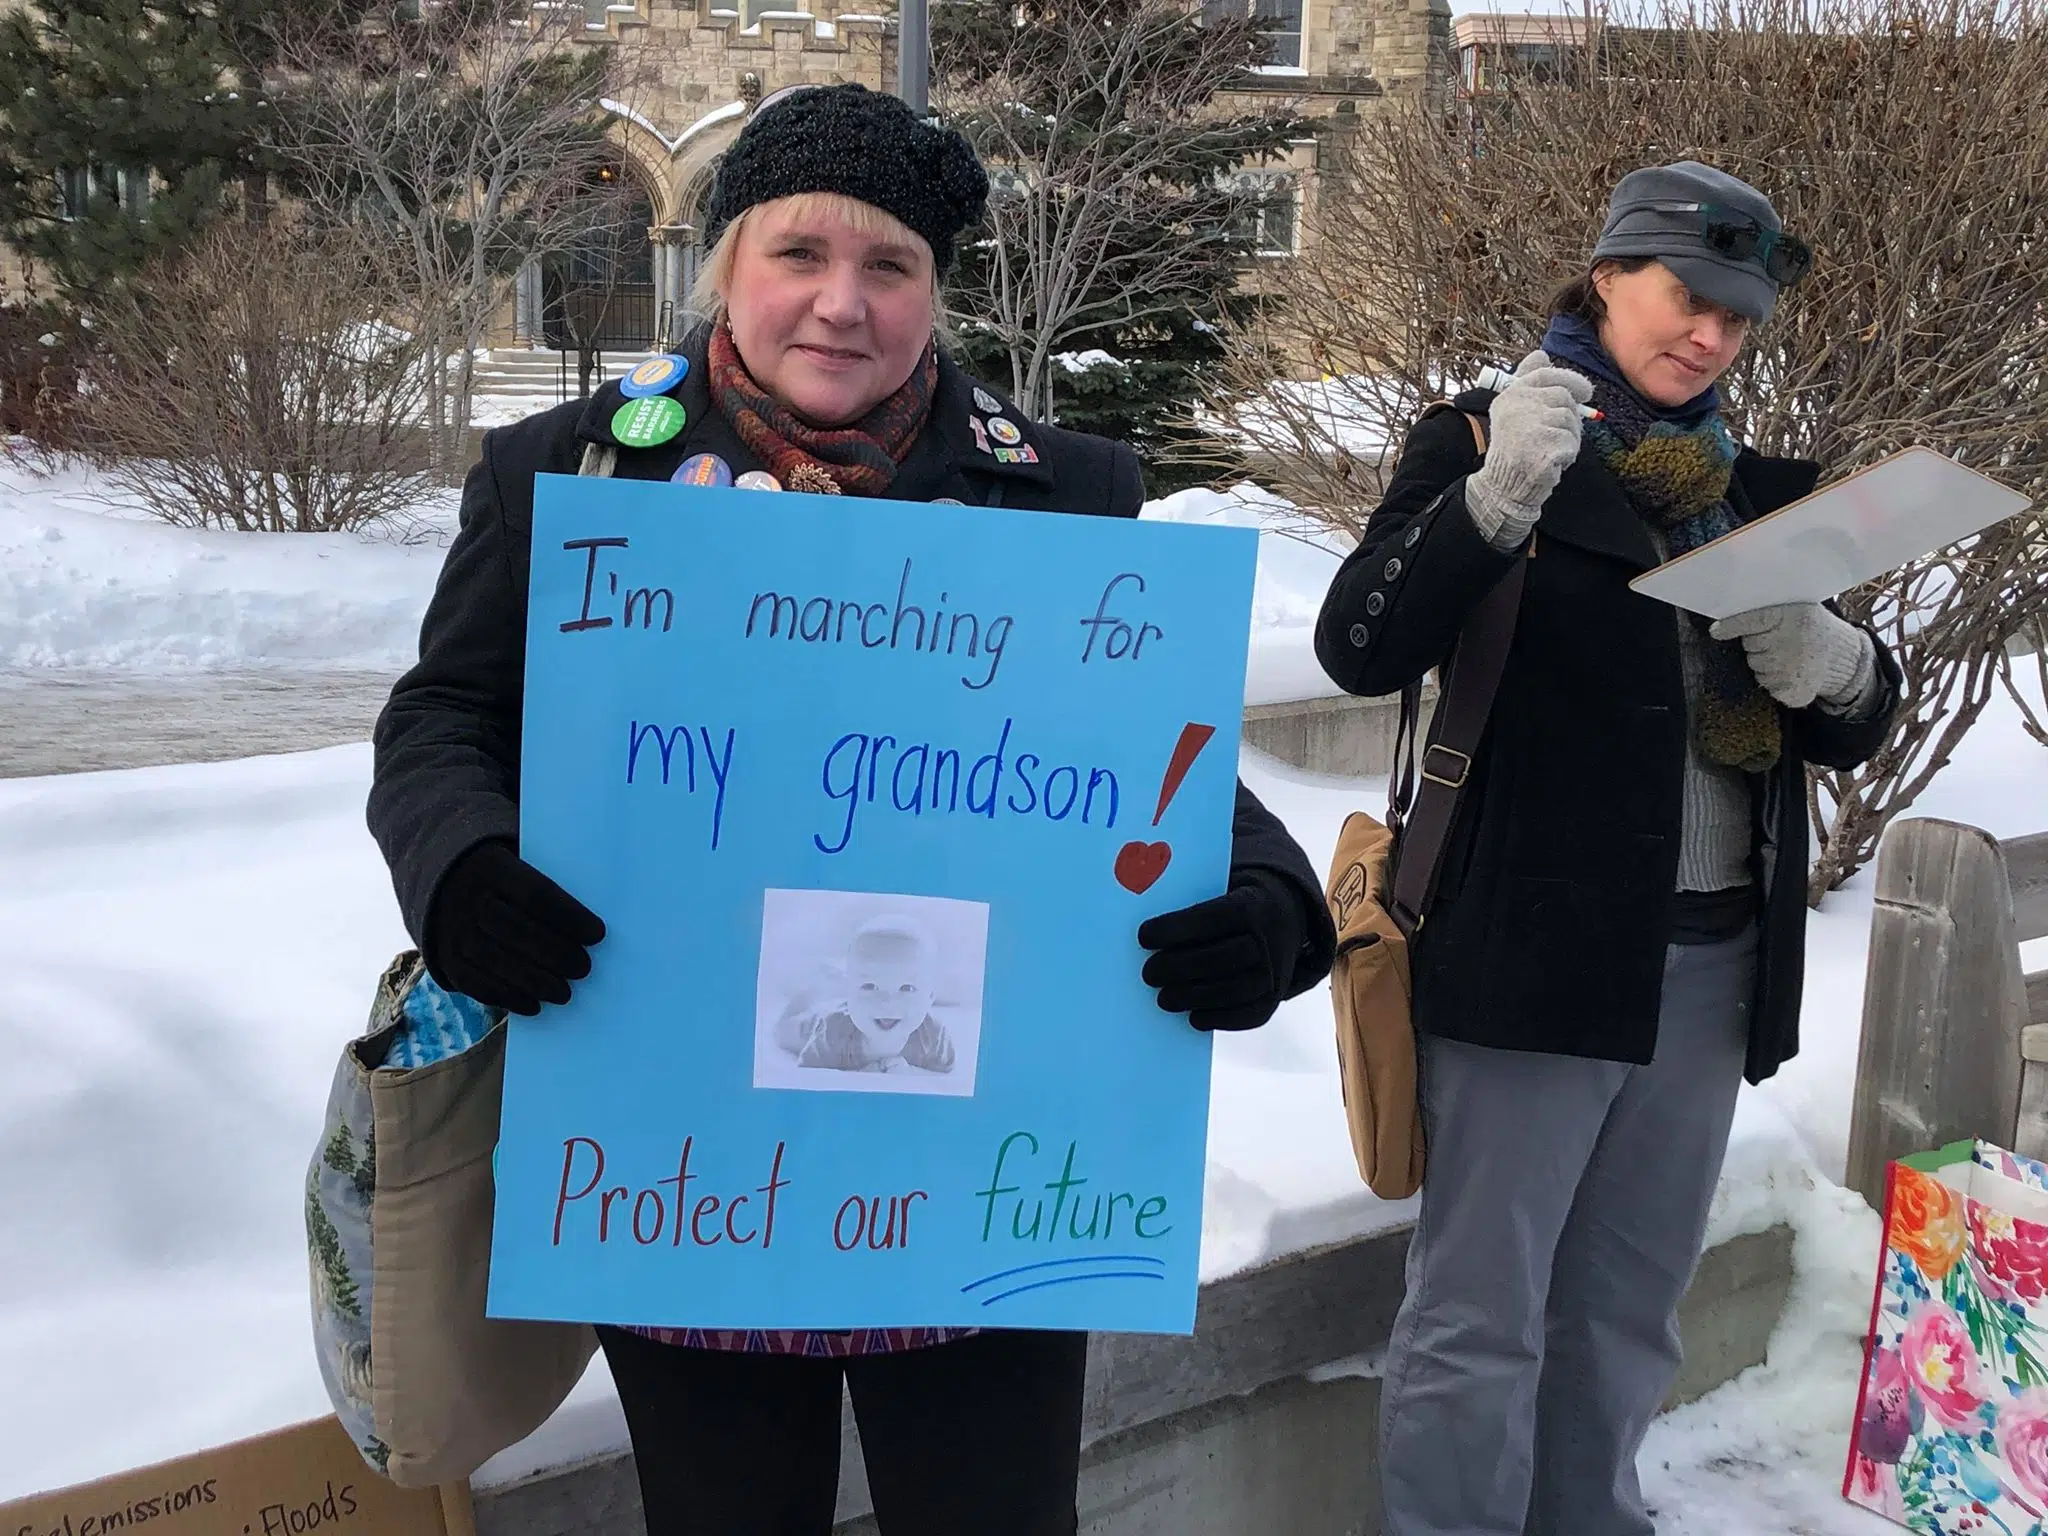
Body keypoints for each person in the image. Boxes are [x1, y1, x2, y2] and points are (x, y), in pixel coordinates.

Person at [367, 82, 1335, 1536]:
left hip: (971, 1180)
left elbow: (1153, 746)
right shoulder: (573, 477)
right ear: (727, 266)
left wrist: (1267, 900)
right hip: (686, 1162)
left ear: (935, 292)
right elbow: (442, 718)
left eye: (889, 266)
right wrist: (463, 870)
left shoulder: (1059, 496)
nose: (842, 302)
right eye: (799, 256)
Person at [1314, 161, 1901, 1536]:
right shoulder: (1481, 439)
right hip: (1527, 960)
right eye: (1686, 298)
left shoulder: (1752, 495)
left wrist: (1830, 660)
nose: (1708, 336)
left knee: (1628, 1315)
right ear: (1606, 275)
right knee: (1479, 1321)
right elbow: (1360, 643)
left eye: (1737, 319)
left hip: (1707, 970)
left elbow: (1860, 723)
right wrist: (1494, 500)